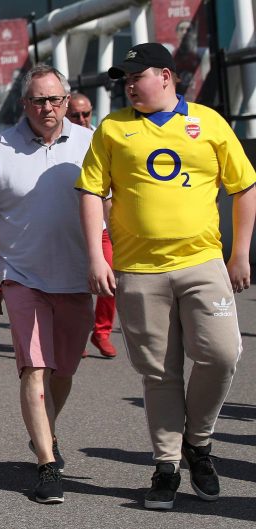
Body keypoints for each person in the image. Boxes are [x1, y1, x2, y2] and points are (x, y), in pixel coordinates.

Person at [78, 43, 256, 511]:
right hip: (138, 271)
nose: (129, 85)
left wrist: (241, 253)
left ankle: (199, 442)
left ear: (165, 76)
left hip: (202, 263)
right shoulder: (113, 128)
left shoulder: (209, 122)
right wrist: (97, 256)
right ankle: (167, 465)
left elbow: (244, 186)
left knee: (222, 354)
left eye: (137, 76)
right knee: (158, 373)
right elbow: (92, 190)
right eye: (124, 79)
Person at [0, 64, 94, 504]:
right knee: (35, 366)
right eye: (38, 100)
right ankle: (46, 463)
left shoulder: (89, 142)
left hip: (77, 276)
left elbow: (112, 204)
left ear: (66, 100)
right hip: (21, 275)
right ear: (25, 104)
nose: (48, 108)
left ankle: (47, 432)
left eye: (55, 99)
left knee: (65, 369)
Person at [66, 93, 117, 358]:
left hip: (102, 228)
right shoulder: (58, 140)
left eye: (86, 114)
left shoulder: (101, 136)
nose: (82, 120)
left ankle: (102, 332)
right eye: (76, 115)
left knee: (111, 281)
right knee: (76, 286)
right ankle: (78, 333)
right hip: (70, 229)